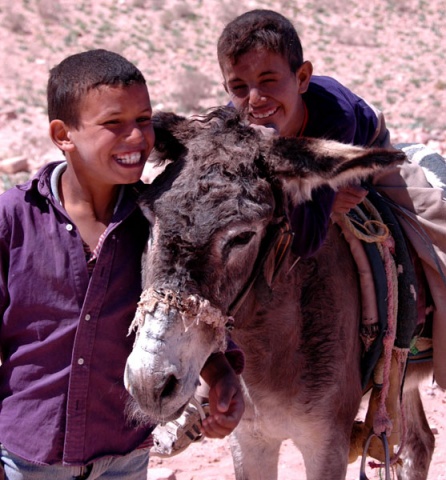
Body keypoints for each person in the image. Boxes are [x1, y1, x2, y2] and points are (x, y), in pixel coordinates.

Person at [0, 49, 244, 480]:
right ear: (64, 134)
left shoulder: (159, 222)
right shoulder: (13, 220)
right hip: (26, 459)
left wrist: (222, 375)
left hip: (124, 459)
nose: (136, 137)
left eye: (144, 120)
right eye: (114, 124)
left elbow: (183, 312)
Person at [216, 7, 446, 389]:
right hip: (292, 169)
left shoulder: (334, 116)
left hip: (361, 153)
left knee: (430, 221)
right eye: (239, 87)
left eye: (269, 80)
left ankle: (428, 330)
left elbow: (307, 239)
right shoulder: (236, 126)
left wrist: (319, 196)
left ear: (302, 77)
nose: (255, 99)